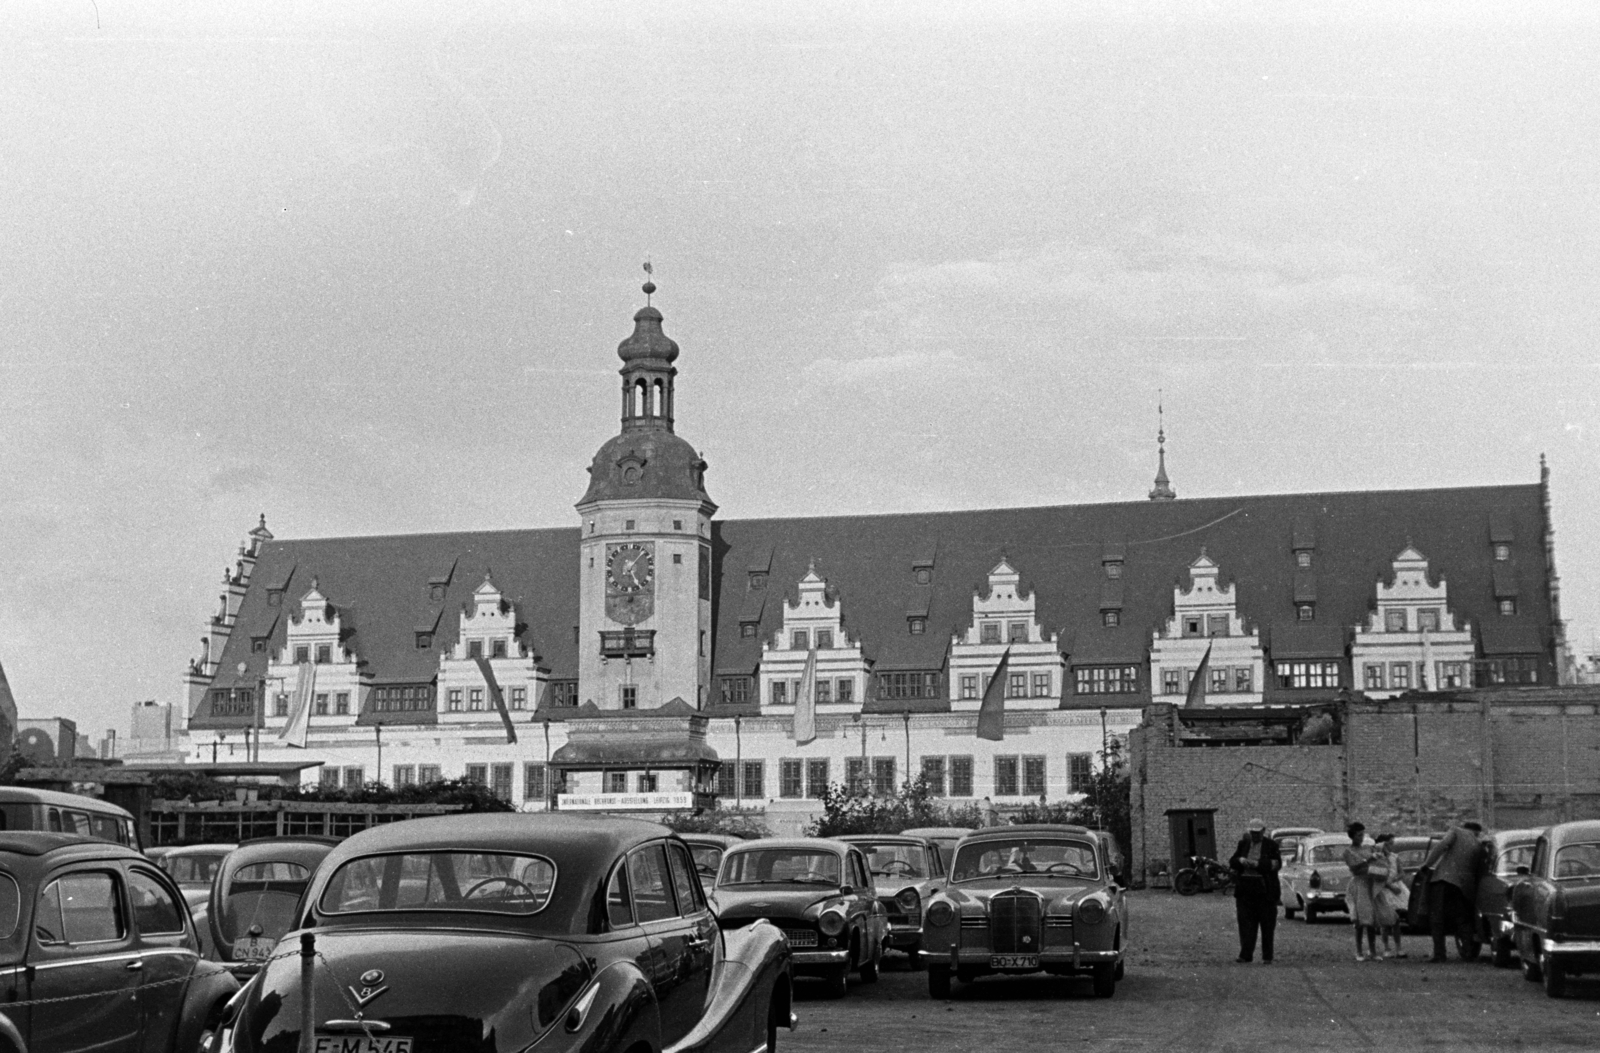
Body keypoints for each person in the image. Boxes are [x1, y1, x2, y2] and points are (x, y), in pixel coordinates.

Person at [1419, 819, 1485, 962]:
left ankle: (1439, 954)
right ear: (1477, 832)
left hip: (1443, 880)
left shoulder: (1456, 831)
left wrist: (1427, 864)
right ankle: (1468, 953)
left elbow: (1441, 846)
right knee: (1462, 919)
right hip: (1463, 887)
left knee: (1437, 919)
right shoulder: (1479, 845)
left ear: (1465, 827)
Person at [1228, 818, 1282, 964]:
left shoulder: (1271, 845)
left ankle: (1267, 956)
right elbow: (1232, 861)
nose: (1255, 835)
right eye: (1253, 833)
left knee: (1267, 926)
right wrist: (1240, 861)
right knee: (1245, 924)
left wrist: (1257, 864)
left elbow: (1276, 864)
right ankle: (1245, 955)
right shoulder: (1243, 844)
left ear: (1263, 831)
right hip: (1245, 891)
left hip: (1265, 892)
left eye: (1257, 833)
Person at [1342, 822, 1381, 961]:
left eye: (1362, 834)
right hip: (1359, 884)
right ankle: (1359, 951)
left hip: (1371, 883)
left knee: (1372, 919)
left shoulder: (1368, 848)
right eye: (1359, 835)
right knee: (1360, 919)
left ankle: (1373, 951)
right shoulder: (1348, 852)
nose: (1361, 837)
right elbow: (1354, 868)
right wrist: (1368, 860)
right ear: (1352, 836)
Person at [1372, 833, 1408, 959]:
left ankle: (1398, 948)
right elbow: (1378, 877)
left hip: (1394, 889)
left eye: (1391, 844)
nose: (1389, 847)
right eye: (1387, 844)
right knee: (1385, 922)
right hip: (1383, 890)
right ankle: (1386, 948)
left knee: (1396, 921)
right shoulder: (1377, 858)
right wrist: (1389, 885)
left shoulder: (1394, 857)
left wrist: (1395, 879)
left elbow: (1401, 872)